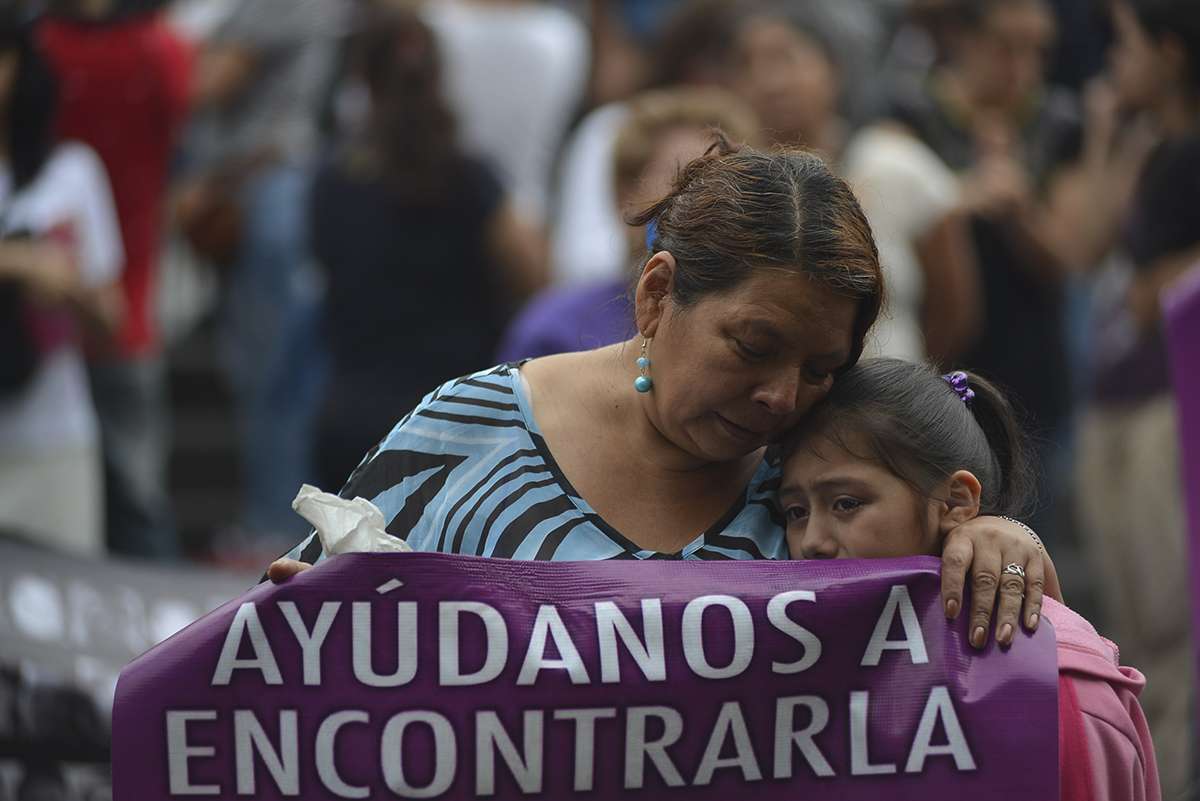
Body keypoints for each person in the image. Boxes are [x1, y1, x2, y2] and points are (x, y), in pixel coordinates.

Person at [270, 139, 1056, 649]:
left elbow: (954, 631)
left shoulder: (821, 482)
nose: (782, 397)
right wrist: (306, 634)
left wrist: (992, 541)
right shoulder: (468, 433)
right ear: (657, 295)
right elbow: (280, 649)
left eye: (821, 368)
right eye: (752, 347)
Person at [778, 358, 1161, 800]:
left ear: (956, 501)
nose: (811, 542)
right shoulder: (797, 654)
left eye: (846, 503)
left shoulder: (1054, 684)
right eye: (795, 512)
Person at [310, 6, 546, 496]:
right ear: (440, 75)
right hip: (457, 416)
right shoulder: (473, 178)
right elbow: (534, 277)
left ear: (361, 79)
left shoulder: (333, 180)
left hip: (353, 414)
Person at [1074, 0, 1200, 791]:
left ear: (1171, 51)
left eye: (1125, 46)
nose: (1113, 65)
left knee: (1170, 613)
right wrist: (1106, 135)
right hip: (1115, 395)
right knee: (1125, 613)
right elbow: (1084, 242)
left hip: (1170, 404)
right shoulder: (1154, 149)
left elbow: (1161, 291)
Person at [39, 0, 192, 559]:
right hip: (83, 318)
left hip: (99, 310)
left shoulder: (48, 46)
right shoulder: (160, 50)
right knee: (131, 498)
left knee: (126, 499)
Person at [498, 85, 758, 362]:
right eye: (684, 178)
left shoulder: (760, 323)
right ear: (626, 194)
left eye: (721, 182)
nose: (703, 199)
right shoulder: (555, 328)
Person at [0, 8, 124, 556]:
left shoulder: (70, 171)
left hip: (52, 438)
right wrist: (22, 261)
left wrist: (68, 287)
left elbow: (111, 323)